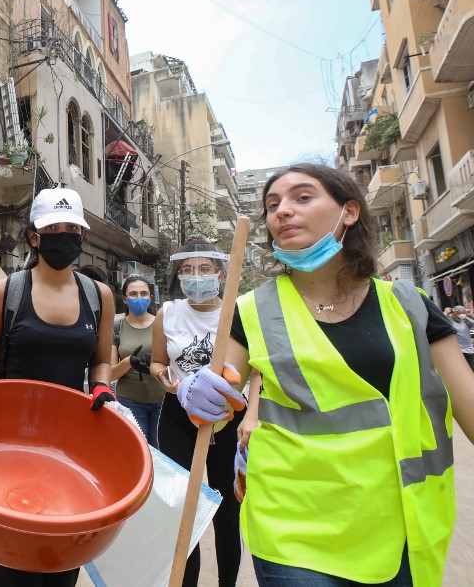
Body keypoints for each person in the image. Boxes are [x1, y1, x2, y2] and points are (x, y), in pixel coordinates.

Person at [176, 163, 474, 587]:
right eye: (272, 205)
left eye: (302, 197)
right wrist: (196, 392)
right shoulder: (248, 311)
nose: (282, 211)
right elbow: (216, 403)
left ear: (349, 211)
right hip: (292, 529)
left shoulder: (410, 306)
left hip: (402, 525)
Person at [0, 186, 116, 587]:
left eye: (72, 228)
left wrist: (101, 387)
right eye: (53, 228)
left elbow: (101, 358)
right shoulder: (5, 291)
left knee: (62, 559)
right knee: (12, 560)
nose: (65, 236)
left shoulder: (100, 296)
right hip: (9, 442)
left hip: (69, 446)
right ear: (33, 236)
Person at [148, 236, 244, 587]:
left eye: (204, 269)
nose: (196, 276)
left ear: (220, 274)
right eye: (187, 270)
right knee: (182, 509)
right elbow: (159, 361)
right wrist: (167, 380)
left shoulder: (237, 313)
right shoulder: (168, 313)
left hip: (225, 417)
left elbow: (256, 369)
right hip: (178, 415)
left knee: (227, 512)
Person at [111, 274, 164, 448]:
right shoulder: (117, 327)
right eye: (133, 294)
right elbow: (110, 373)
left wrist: (158, 364)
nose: (139, 298)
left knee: (163, 454)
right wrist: (129, 362)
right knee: (137, 451)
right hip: (130, 401)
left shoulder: (164, 325)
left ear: (151, 297)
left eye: (144, 293)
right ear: (124, 299)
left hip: (163, 401)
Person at [444, 305, 474, 371]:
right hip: (458, 351)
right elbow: (439, 322)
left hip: (469, 350)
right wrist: (445, 313)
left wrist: (469, 315)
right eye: (458, 314)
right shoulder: (449, 320)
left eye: (462, 314)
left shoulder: (465, 320)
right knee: (461, 371)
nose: (460, 316)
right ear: (453, 313)